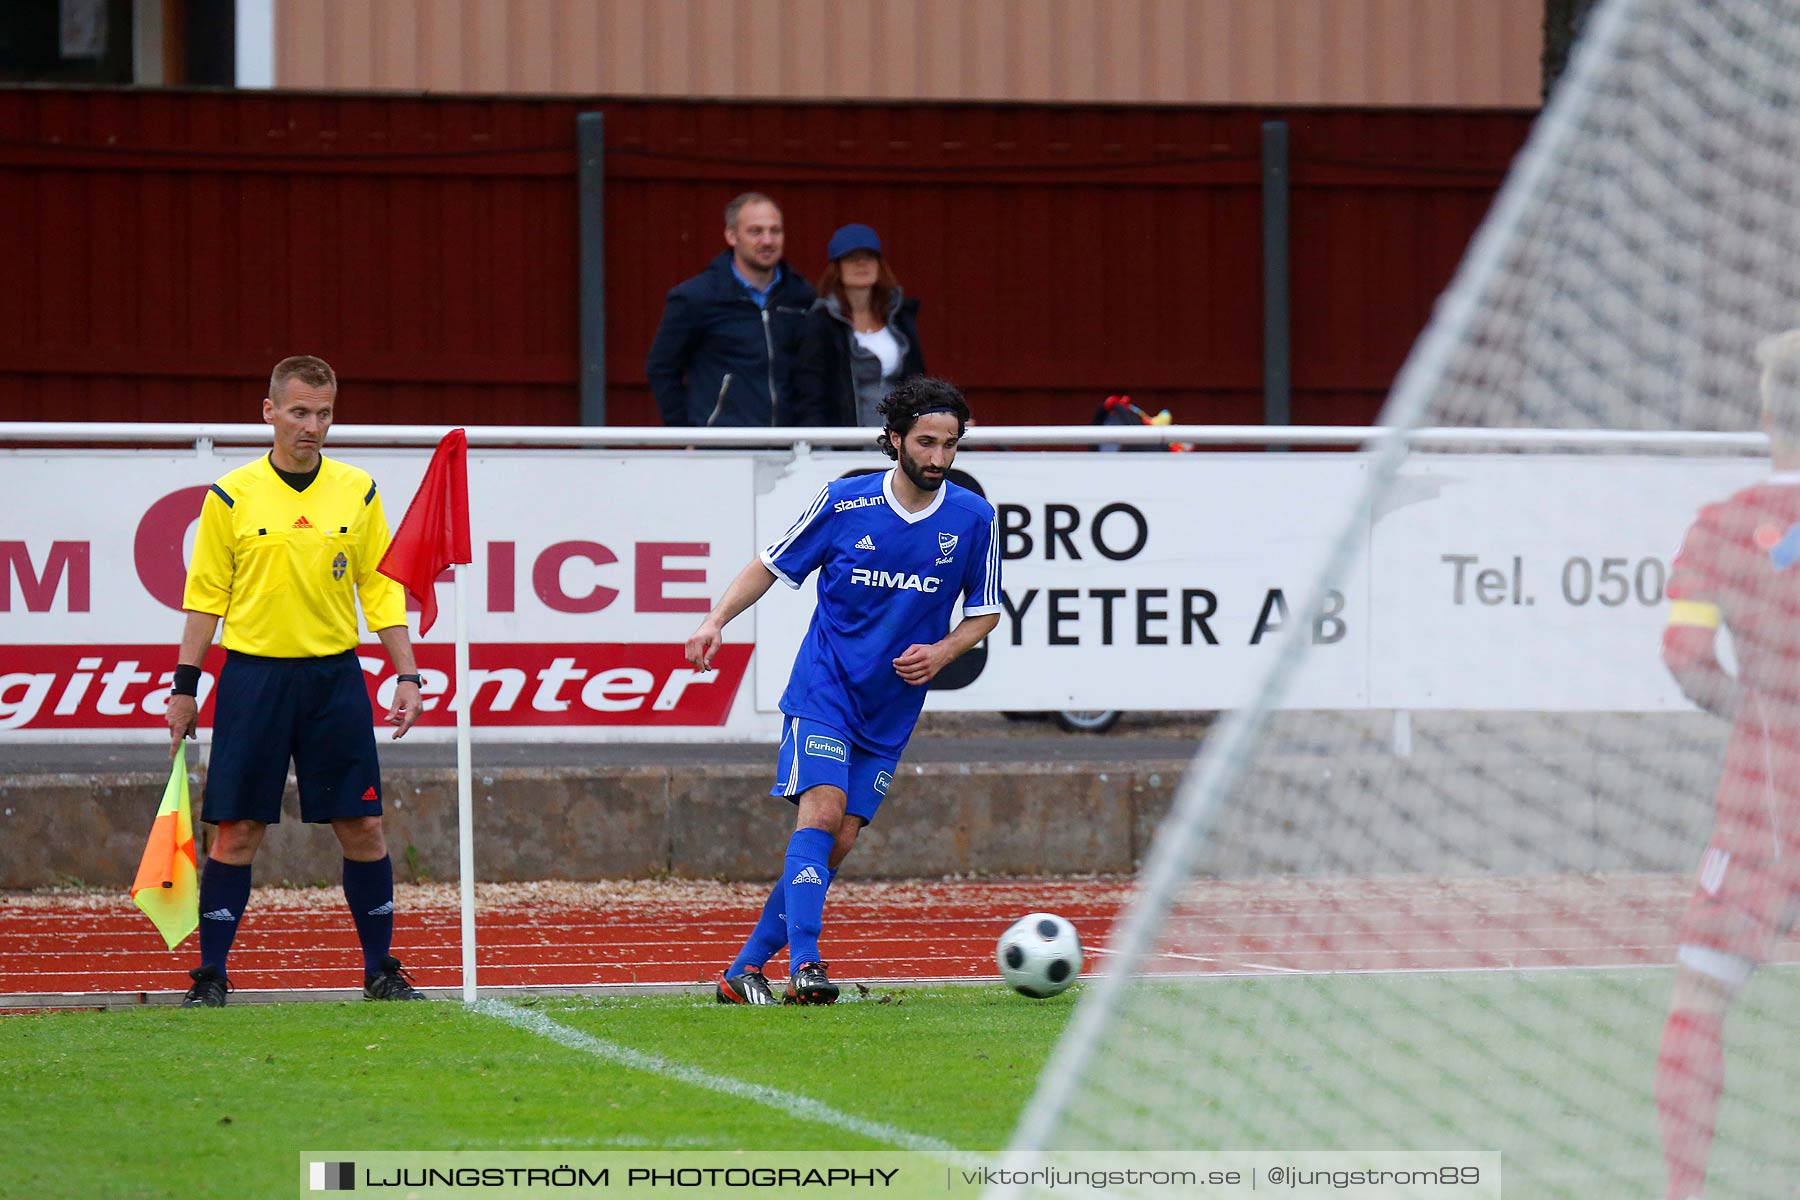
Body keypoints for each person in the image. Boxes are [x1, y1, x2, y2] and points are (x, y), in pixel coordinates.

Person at [685, 376, 1002, 1004]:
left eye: (950, 446)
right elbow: (769, 565)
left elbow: (985, 610)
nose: (938, 459)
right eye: (926, 443)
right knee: (823, 813)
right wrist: (715, 618)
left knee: (842, 839)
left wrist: (941, 651)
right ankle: (807, 965)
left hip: (892, 708)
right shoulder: (844, 502)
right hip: (825, 690)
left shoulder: (974, 518)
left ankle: (743, 969)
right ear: (895, 440)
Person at [165, 355, 428, 1007]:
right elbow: (206, 598)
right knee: (237, 830)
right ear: (271, 412)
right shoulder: (231, 495)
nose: (313, 425)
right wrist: (184, 685)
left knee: (362, 826)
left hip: (334, 681)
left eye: (325, 413)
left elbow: (381, 588)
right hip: (252, 680)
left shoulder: (358, 491)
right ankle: (212, 975)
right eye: (300, 412)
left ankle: (380, 971)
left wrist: (407, 673)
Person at [1655, 328, 1800, 1198]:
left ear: (1764, 410)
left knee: (1700, 998)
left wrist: (1760, 717)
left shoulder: (1721, 526)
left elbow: (1684, 658)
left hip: (1769, 801)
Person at [645, 192, 818, 427]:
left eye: (775, 231)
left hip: (791, 445)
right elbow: (661, 368)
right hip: (722, 446)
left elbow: (814, 373)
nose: (767, 241)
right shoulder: (696, 297)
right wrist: (686, 434)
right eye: (755, 231)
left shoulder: (801, 297)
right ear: (731, 235)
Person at [787, 223, 925, 426]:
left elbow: (920, 386)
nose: (862, 263)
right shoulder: (821, 324)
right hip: (847, 445)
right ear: (837, 267)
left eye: (869, 256)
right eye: (852, 257)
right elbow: (811, 396)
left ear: (879, 264)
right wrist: (821, 452)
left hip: (898, 442)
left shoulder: (899, 318)